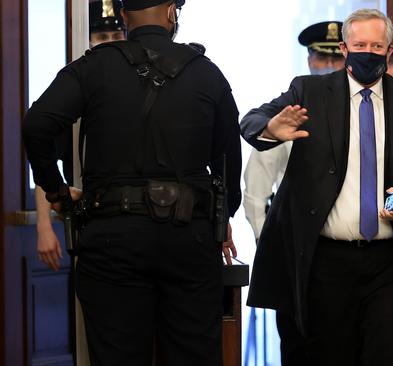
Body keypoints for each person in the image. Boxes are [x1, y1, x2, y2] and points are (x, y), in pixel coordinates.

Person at [22, 0, 242, 364]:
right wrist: (220, 216)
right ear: (172, 12)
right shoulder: (207, 73)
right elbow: (227, 165)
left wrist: (57, 191)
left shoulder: (91, 67)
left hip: (111, 237)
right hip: (190, 238)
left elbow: (36, 125)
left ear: (124, 17)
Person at [240, 8, 393, 365]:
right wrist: (270, 130)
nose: (369, 51)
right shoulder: (309, 91)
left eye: (377, 45)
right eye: (360, 44)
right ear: (344, 47)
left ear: (389, 49)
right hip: (327, 264)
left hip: (392, 261)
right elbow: (252, 120)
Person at [243, 22, 346, 362]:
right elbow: (256, 192)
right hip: (294, 245)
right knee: (299, 345)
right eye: (321, 58)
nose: (328, 67)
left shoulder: (362, 112)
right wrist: (270, 244)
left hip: (344, 249)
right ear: (309, 60)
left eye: (335, 59)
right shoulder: (293, 110)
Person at [35, 0, 127, 272]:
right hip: (91, 220)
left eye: (116, 36)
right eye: (101, 37)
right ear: (87, 40)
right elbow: (43, 152)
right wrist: (43, 226)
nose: (109, 43)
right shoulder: (71, 92)